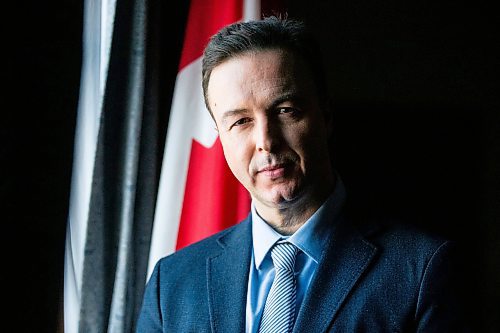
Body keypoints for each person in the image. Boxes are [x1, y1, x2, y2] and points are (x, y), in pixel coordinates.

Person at [136, 16, 468, 332]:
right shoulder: (173, 282)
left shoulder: (421, 270)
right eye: (240, 121)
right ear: (220, 137)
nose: (266, 141)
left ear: (325, 116)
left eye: (285, 111)